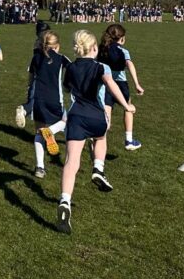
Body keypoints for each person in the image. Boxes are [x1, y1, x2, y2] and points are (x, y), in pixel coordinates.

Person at [56, 29, 136, 234]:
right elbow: (112, 86)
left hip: (75, 117)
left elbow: (67, 89)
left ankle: (65, 201)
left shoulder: (71, 68)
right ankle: (98, 169)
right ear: (93, 48)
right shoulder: (102, 67)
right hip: (96, 116)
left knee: (71, 161)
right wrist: (127, 106)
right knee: (100, 137)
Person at [27, 30, 69, 178]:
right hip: (55, 99)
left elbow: (31, 78)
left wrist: (29, 96)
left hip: (38, 100)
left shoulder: (36, 58)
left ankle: (39, 167)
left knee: (39, 132)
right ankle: (51, 131)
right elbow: (73, 71)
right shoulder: (62, 58)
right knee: (66, 123)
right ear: (57, 45)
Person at [98, 24, 145, 151]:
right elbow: (130, 65)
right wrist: (137, 84)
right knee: (128, 107)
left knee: (106, 114)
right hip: (120, 84)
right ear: (122, 38)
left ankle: (99, 139)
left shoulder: (101, 48)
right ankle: (129, 140)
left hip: (105, 84)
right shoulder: (123, 51)